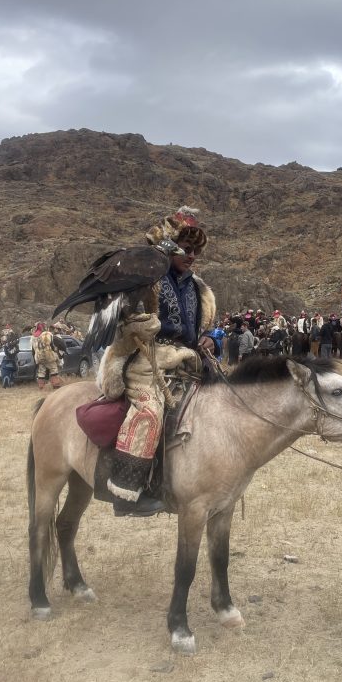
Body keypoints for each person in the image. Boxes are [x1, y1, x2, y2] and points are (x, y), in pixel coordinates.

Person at [98, 206, 216, 516]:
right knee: (149, 411)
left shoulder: (197, 287)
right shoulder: (145, 276)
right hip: (145, 359)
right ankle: (126, 492)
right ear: (169, 245)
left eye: (196, 250)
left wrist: (210, 339)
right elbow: (122, 322)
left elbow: (199, 329)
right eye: (186, 248)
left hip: (186, 360)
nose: (192, 255)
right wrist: (139, 325)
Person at [32, 324, 64, 390]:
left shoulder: (38, 337)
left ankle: (41, 387)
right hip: (49, 356)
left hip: (40, 356)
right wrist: (58, 354)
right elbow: (55, 345)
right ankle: (56, 385)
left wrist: (35, 359)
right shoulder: (50, 335)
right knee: (53, 369)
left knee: (41, 371)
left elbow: (34, 348)